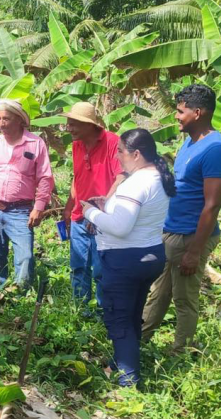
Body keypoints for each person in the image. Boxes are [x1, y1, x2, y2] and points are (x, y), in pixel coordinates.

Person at [142, 84, 221, 353]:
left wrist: (194, 252)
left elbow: (212, 205)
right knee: (159, 291)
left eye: (180, 112)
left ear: (198, 112)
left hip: (191, 235)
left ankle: (180, 354)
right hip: (173, 232)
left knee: (184, 298)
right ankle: (139, 340)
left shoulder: (215, 149)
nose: (176, 117)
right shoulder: (190, 142)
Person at [81, 128, 175, 386]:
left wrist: (89, 212)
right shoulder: (159, 177)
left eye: (120, 152)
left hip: (125, 260)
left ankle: (128, 382)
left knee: (119, 319)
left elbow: (120, 227)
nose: (118, 157)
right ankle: (120, 362)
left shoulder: (135, 183)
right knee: (132, 314)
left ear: (136, 154)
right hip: (151, 255)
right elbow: (134, 215)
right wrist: (107, 205)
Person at [0, 99, 53, 290]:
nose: (1, 123)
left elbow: (45, 178)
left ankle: (20, 295)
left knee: (25, 256)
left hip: (21, 210)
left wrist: (39, 207)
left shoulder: (35, 144)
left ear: (19, 119)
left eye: (6, 119)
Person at [62, 102, 124, 306]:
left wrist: (102, 211)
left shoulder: (112, 142)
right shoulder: (76, 144)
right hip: (80, 214)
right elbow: (78, 177)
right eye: (68, 123)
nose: (68, 128)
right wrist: (69, 206)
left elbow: (121, 177)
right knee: (78, 265)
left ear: (89, 124)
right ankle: (80, 309)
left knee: (101, 269)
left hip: (102, 218)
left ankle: (102, 311)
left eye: (73, 124)